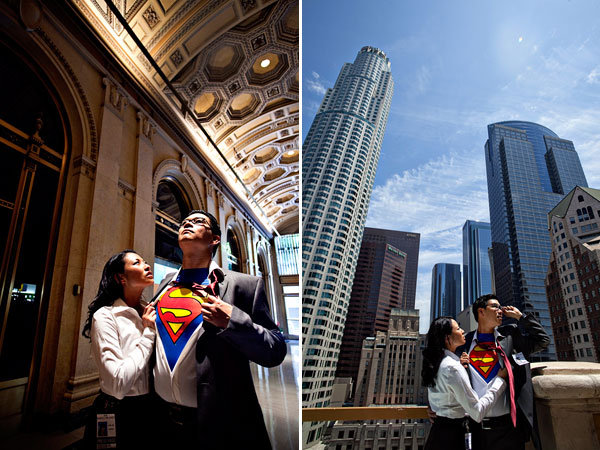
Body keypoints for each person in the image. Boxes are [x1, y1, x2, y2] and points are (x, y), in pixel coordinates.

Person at [151, 210, 287, 449]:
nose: (187, 224)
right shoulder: (164, 286)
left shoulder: (243, 285)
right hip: (162, 422)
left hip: (218, 424)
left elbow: (275, 349)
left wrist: (232, 320)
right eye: (184, 222)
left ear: (214, 239)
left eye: (197, 222)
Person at [81, 250, 157, 448]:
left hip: (152, 408)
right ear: (121, 277)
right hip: (119, 411)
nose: (147, 265)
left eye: (146, 261)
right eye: (137, 263)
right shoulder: (106, 316)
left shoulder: (150, 311)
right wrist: (148, 332)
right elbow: (118, 383)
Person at [456, 294, 550, 450]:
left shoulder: (510, 336)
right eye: (495, 307)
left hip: (509, 428)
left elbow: (543, 340)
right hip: (474, 429)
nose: (500, 310)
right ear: (481, 312)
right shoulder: (463, 344)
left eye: (500, 307)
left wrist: (521, 317)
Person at [423, 317, 508, 450]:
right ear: (447, 338)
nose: (463, 331)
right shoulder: (453, 368)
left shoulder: (437, 363)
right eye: (458, 329)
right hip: (452, 438)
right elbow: (477, 412)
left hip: (438, 433)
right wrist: (500, 381)